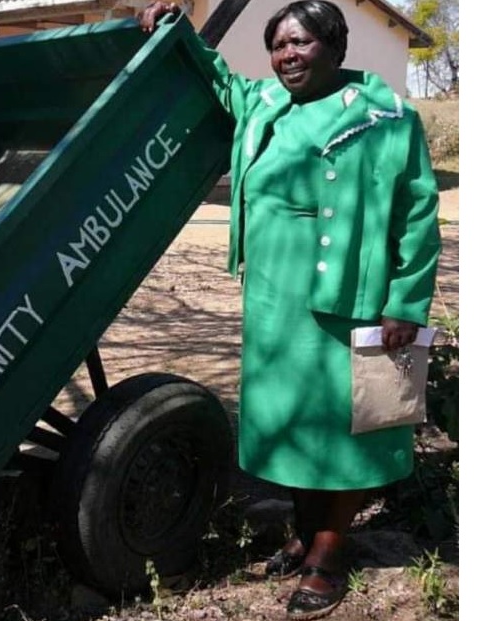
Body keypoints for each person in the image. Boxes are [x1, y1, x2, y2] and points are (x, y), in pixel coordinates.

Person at [138, 2, 442, 619]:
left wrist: (405, 302)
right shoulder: (265, 104)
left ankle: (329, 556)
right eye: (277, 46)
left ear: (335, 45)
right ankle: (308, 534)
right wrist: (177, 27)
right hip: (274, 303)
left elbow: (418, 214)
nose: (286, 57)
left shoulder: (385, 118)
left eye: (299, 43)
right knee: (297, 427)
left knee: (344, 432)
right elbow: (219, 78)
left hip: (348, 301)